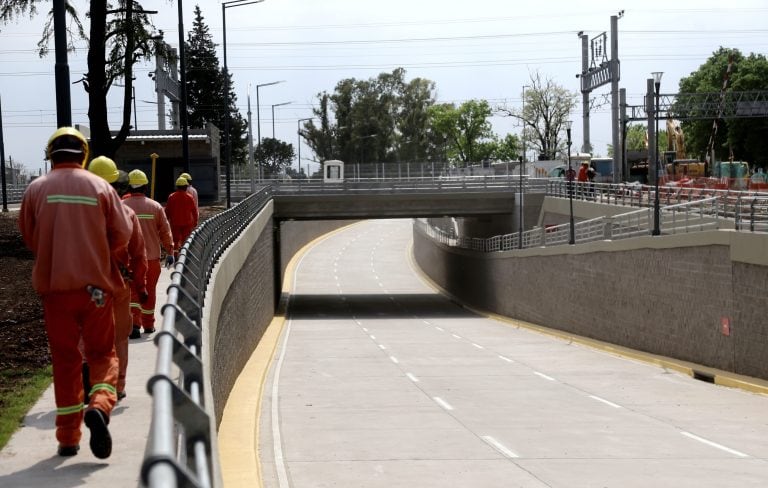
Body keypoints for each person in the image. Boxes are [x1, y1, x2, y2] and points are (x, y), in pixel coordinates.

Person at [18, 127, 132, 459]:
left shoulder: (36, 189)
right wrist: (99, 254)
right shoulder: (100, 187)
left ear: (51, 154)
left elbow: (30, 236)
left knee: (66, 360)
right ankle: (99, 404)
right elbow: (122, 233)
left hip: (56, 291)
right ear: (82, 154)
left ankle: (68, 438)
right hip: (96, 290)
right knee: (103, 353)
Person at [87, 158, 148, 400]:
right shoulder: (127, 214)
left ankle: (95, 383)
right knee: (120, 337)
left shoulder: (81, 216)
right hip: (119, 284)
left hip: (92, 287)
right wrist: (141, 286)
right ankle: (117, 386)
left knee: (91, 335)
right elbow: (139, 255)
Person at [124, 169, 175, 338]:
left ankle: (134, 325)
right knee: (149, 291)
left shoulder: (121, 206)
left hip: (129, 259)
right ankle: (148, 324)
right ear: (145, 186)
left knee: (132, 292)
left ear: (129, 187)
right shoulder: (155, 207)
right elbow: (165, 232)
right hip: (152, 258)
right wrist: (170, 251)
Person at [165, 176, 198, 258]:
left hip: (175, 223)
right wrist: (195, 222)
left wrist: (166, 222)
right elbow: (194, 211)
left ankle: (176, 255)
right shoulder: (189, 197)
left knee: (175, 241)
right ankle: (185, 256)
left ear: (177, 186)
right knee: (185, 241)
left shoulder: (171, 197)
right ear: (186, 187)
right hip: (187, 223)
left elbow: (167, 211)